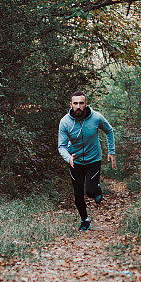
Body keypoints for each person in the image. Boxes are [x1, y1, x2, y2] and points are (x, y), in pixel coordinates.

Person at [57, 91, 116, 231]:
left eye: (81, 103)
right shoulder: (65, 122)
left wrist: (111, 151)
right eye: (75, 103)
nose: (78, 106)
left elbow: (109, 130)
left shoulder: (96, 118)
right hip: (75, 161)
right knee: (78, 194)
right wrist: (68, 158)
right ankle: (85, 221)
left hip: (93, 160)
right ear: (71, 105)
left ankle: (96, 189)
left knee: (90, 191)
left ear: (86, 104)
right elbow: (61, 146)